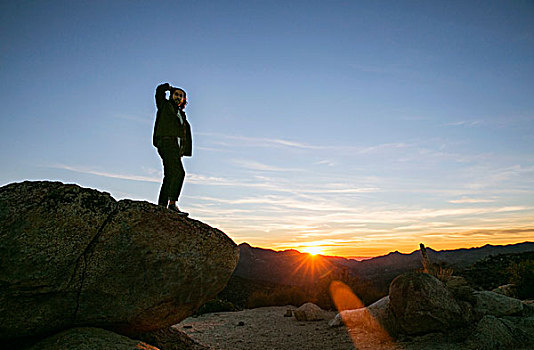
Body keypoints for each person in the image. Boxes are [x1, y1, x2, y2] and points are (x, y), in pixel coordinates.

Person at [153, 82, 192, 216]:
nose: (178, 97)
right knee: (179, 172)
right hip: (166, 142)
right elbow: (159, 91)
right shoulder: (165, 106)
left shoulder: (181, 114)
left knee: (170, 175)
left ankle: (163, 206)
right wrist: (169, 88)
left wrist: (182, 150)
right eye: (176, 94)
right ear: (171, 96)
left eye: (181, 96)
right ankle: (172, 205)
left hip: (175, 147)